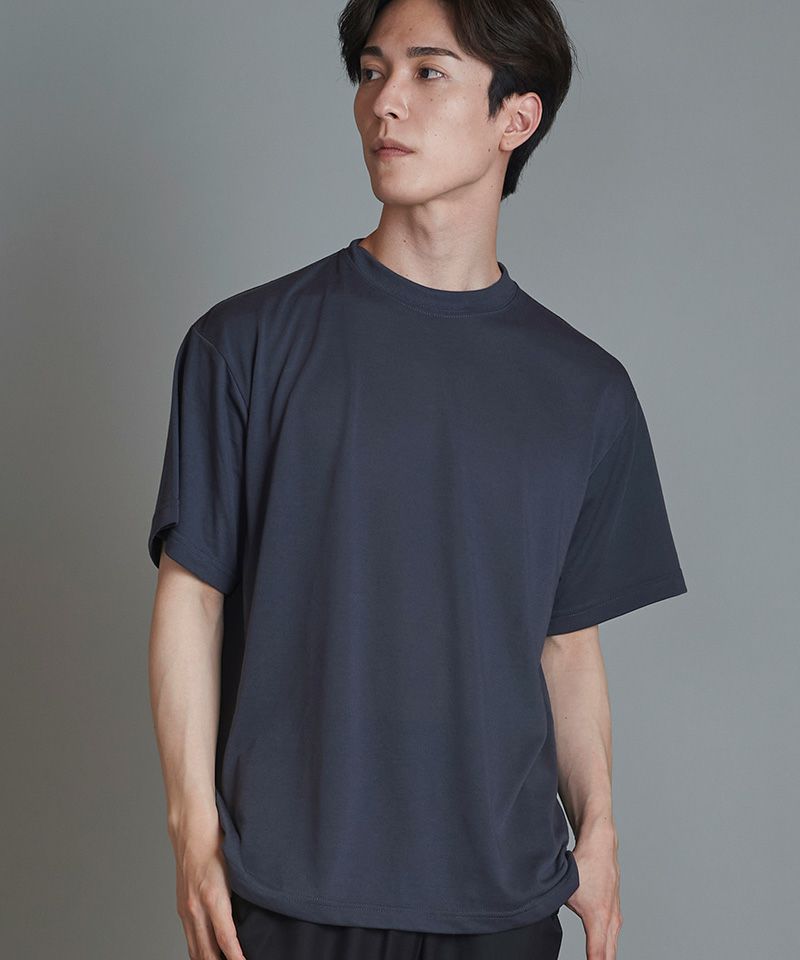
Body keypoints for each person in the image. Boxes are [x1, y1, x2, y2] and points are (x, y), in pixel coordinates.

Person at [146, 0, 688, 958]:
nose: (384, 102)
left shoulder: (586, 390)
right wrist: (193, 832)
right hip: (286, 894)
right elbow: (192, 597)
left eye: (428, 72)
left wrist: (599, 829)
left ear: (516, 116)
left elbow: (566, 643)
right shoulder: (244, 346)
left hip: (502, 903)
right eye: (372, 70)